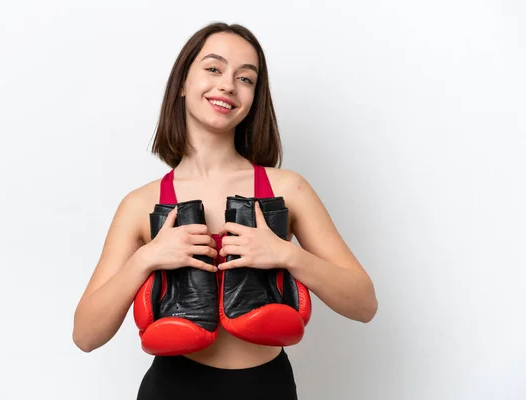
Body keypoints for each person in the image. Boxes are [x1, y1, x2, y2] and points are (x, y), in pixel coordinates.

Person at [72, 22, 378, 399]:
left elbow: (364, 304)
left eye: (245, 78)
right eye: (214, 69)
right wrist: (148, 258)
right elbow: (85, 336)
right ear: (183, 82)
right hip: (173, 388)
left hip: (268, 388)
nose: (228, 85)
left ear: (254, 97)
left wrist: (285, 253)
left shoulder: (288, 190)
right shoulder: (140, 204)